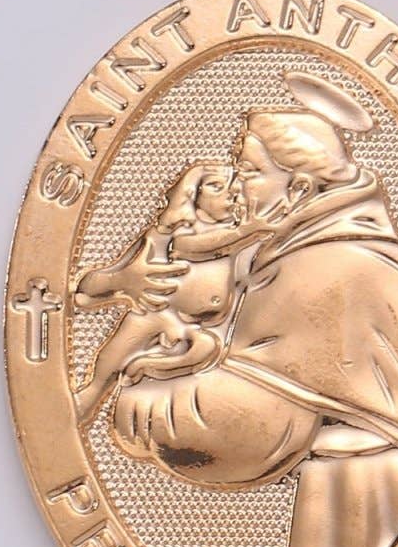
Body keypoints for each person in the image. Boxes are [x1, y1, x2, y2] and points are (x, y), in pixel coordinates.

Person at [92, 74, 398, 547]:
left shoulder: (327, 265)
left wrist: (136, 407)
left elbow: (247, 429)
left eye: (249, 172)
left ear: (300, 190)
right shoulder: (310, 246)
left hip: (370, 495)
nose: (237, 185)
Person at [73, 162, 267, 420]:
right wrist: (247, 232)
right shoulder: (181, 232)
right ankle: (89, 397)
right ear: (192, 194)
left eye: (234, 186)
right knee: (117, 353)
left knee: (207, 348)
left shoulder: (239, 240)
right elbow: (193, 246)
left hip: (196, 327)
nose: (230, 192)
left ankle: (146, 365)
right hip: (157, 314)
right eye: (216, 186)